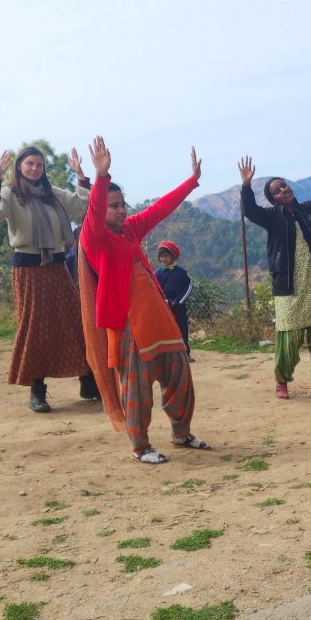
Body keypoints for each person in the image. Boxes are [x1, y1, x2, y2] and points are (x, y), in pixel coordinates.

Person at [79, 137, 210, 463]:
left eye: (124, 204)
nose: (123, 210)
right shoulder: (94, 238)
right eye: (114, 206)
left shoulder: (131, 230)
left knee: (180, 374)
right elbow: (94, 214)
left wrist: (191, 182)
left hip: (159, 317)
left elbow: (159, 208)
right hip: (128, 324)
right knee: (136, 387)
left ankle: (181, 433)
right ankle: (141, 447)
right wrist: (100, 177)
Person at [0, 145, 99, 412]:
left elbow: (82, 204)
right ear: (19, 166)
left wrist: (80, 174)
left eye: (39, 165)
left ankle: (88, 381)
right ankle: (37, 391)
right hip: (29, 270)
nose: (35, 169)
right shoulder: (10, 194)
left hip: (57, 267)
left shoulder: (51, 193)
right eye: (29, 164)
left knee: (75, 321)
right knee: (36, 329)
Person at [237, 145, 311, 399]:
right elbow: (250, 211)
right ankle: (282, 382)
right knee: (289, 339)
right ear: (273, 199)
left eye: (283, 186)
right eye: (276, 190)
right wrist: (246, 186)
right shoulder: (272, 217)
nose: (282, 190)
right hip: (287, 288)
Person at [155, 240, 193, 355]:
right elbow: (156, 290)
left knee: (182, 327)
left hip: (179, 306)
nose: (163, 259)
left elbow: (188, 286)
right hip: (165, 307)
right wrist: (168, 301)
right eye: (161, 256)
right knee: (166, 328)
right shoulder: (157, 274)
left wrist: (178, 301)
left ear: (173, 256)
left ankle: (185, 352)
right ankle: (170, 353)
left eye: (166, 256)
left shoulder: (181, 272)